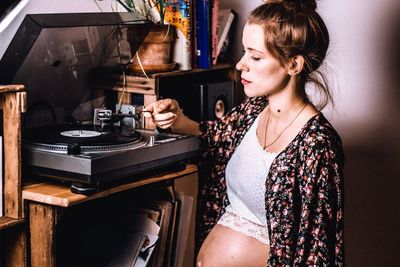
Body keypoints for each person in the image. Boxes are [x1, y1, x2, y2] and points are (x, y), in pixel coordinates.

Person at [143, 0, 344, 265]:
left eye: (255, 56)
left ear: (293, 65)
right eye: (244, 52)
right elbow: (212, 139)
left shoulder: (317, 145)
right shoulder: (252, 111)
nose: (240, 64)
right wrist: (176, 118)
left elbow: (316, 252)